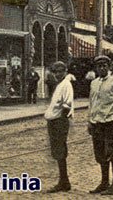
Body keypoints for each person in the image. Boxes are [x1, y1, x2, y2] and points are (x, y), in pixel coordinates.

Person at [88, 55, 113, 195]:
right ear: (96, 68)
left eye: (105, 65)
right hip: (97, 123)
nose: (102, 68)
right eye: (99, 66)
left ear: (109, 67)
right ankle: (104, 182)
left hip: (110, 122)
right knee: (100, 154)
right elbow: (92, 103)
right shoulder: (94, 83)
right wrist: (90, 121)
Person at [43, 61, 74, 193]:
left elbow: (67, 105)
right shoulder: (59, 84)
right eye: (55, 72)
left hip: (59, 121)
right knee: (57, 151)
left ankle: (64, 181)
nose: (58, 74)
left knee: (60, 151)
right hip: (54, 120)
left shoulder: (66, 84)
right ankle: (63, 180)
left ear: (65, 71)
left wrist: (61, 120)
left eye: (60, 71)